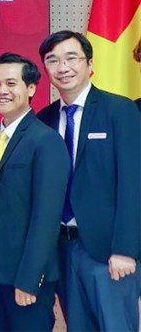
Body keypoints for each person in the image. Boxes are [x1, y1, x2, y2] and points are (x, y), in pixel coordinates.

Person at [37, 30, 140, 331]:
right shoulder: (44, 119)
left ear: (89, 64)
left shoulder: (120, 110)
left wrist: (125, 249)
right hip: (60, 247)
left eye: (71, 58)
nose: (63, 67)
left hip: (107, 250)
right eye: (53, 60)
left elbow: (133, 184)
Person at [0, 53, 68, 331]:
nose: (1, 90)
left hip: (25, 277)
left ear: (31, 88)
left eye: (11, 83)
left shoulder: (46, 140)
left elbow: (46, 219)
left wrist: (29, 279)